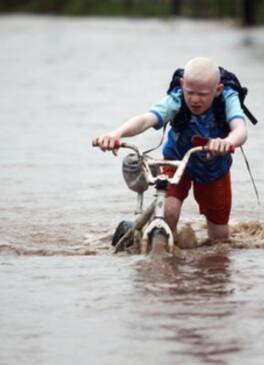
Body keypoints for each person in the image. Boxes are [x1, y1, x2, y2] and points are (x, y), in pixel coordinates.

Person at [92, 57, 248, 242]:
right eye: (190, 92)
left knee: (220, 238)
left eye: (203, 94)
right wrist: (116, 134)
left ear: (218, 90)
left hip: (214, 168)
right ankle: (166, 256)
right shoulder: (177, 98)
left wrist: (226, 142)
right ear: (182, 85)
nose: (195, 99)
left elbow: (240, 130)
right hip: (177, 162)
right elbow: (146, 120)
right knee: (168, 212)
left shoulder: (228, 98)